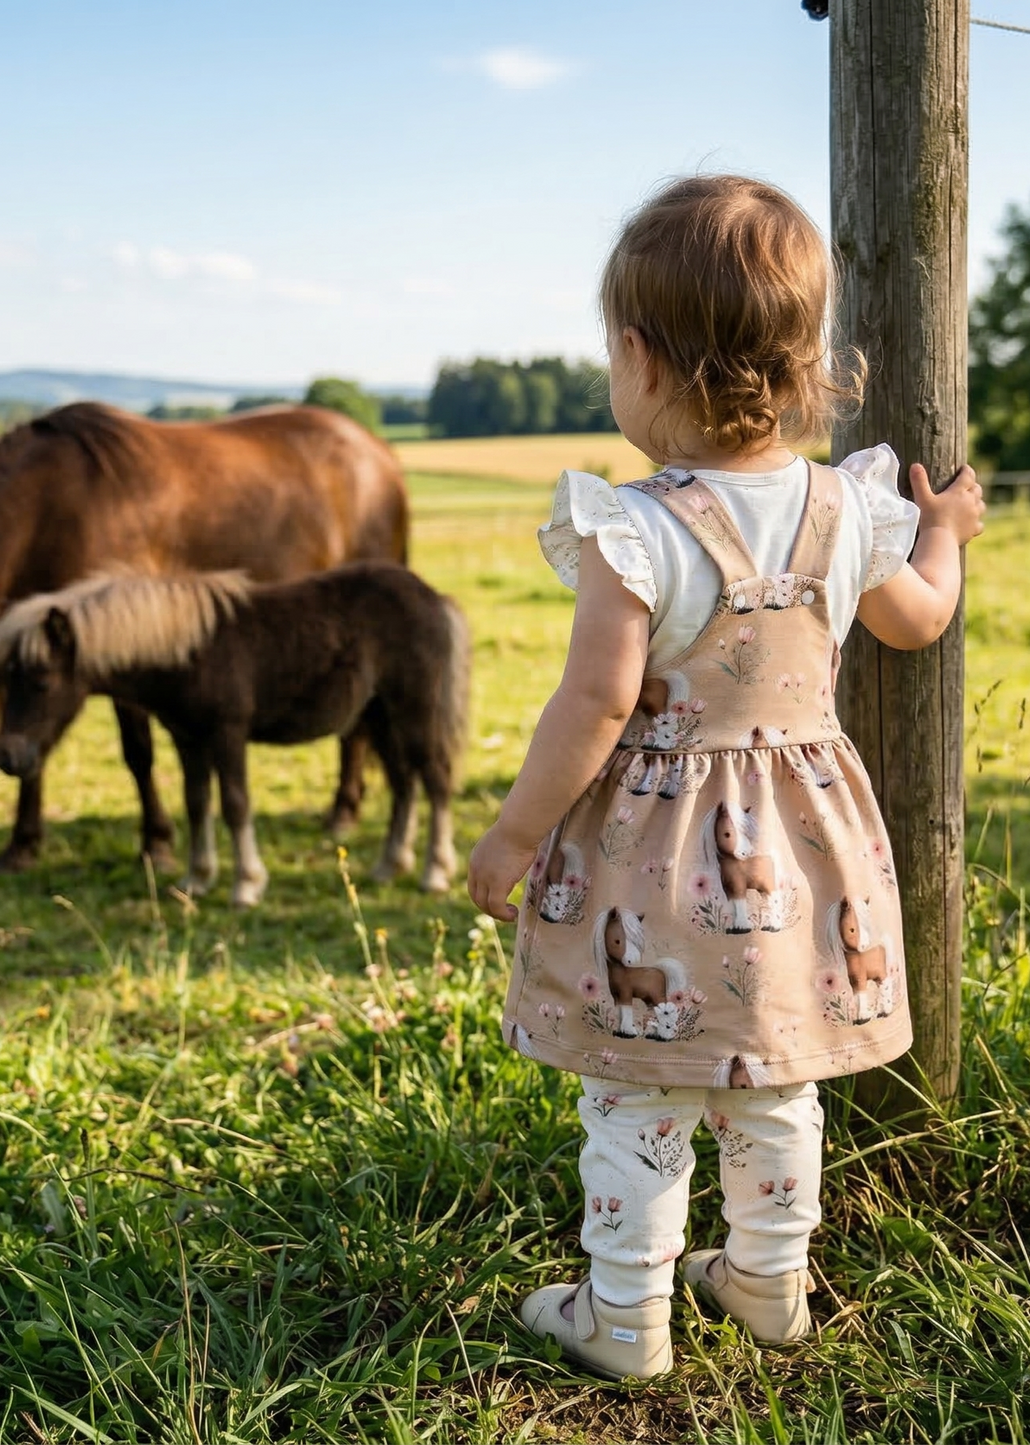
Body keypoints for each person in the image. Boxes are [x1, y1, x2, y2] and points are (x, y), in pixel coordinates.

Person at [467, 174, 985, 1380]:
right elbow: (916, 623)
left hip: (650, 862)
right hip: (805, 851)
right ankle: (764, 1284)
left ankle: (623, 1314)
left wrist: (511, 833)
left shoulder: (632, 531)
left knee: (637, 1093)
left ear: (641, 360)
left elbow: (594, 704)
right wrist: (943, 535)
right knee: (775, 1080)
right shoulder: (843, 509)